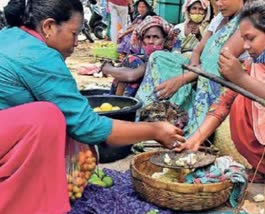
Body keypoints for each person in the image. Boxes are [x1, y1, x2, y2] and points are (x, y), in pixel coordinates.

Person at [0, 1, 184, 213]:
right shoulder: (37, 55)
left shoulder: (10, 35)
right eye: (74, 33)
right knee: (47, 117)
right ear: (49, 27)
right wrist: (155, 130)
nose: (77, 43)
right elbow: (88, 126)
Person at [179, 0, 265, 213]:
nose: (245, 46)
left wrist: (242, 79)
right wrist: (195, 139)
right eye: (243, 39)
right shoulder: (254, 64)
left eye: (250, 38)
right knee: (239, 104)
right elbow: (223, 102)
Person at [135, 0, 246, 136]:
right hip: (199, 69)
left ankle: (187, 123)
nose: (219, 4)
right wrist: (193, 68)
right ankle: (152, 112)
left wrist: (183, 79)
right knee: (158, 57)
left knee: (212, 71)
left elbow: (218, 62)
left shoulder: (247, 21)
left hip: (219, 75)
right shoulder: (219, 19)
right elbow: (197, 51)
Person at [102, 15, 176, 97]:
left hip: (157, 98)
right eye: (147, 37)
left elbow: (132, 76)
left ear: (165, 40)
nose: (151, 41)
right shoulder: (144, 57)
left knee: (132, 61)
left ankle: (120, 101)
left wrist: (107, 68)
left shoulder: (162, 57)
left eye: (156, 37)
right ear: (142, 41)